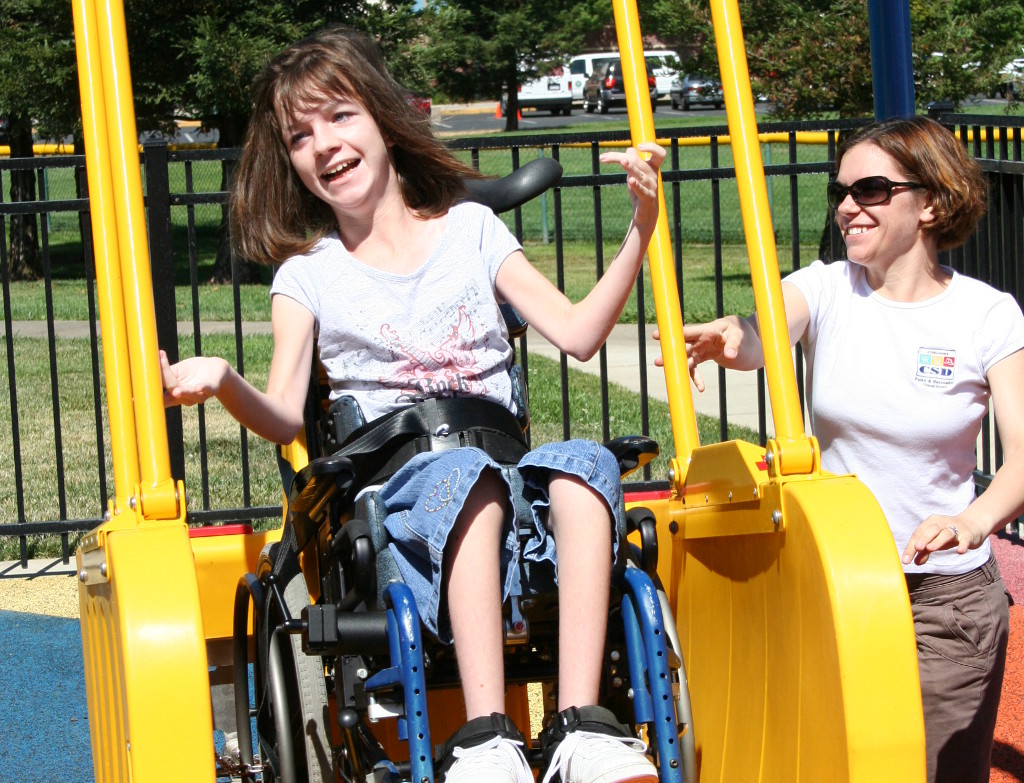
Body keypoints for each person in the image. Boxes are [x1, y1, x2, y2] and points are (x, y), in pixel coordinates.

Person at [160, 26, 665, 783]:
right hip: (399, 501)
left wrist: (642, 229)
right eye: (300, 135)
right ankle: (488, 737)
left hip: (500, 471)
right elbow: (285, 416)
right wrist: (227, 379)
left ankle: (580, 728)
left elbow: (580, 333)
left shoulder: (471, 230)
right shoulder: (309, 276)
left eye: (339, 116)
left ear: (383, 120)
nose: (324, 145)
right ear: (292, 162)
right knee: (463, 475)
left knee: (586, 464)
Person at [679, 115, 1024, 783]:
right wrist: (735, 336)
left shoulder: (986, 315)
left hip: (943, 601)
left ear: (929, 201)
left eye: (869, 189)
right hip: (840, 586)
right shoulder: (828, 288)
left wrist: (971, 521)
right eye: (841, 190)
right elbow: (762, 334)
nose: (847, 206)